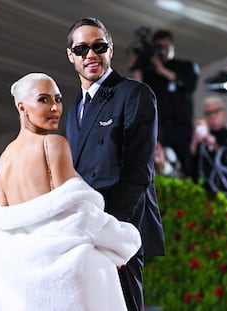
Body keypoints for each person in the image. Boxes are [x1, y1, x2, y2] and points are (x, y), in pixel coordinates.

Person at [0, 73, 141, 311]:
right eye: (43, 100)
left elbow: (4, 225)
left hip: (21, 282)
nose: (55, 108)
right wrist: (122, 242)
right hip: (66, 277)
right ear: (21, 107)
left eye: (58, 99)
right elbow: (76, 214)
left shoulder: (4, 159)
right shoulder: (54, 144)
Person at [65, 17, 165, 311]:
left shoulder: (134, 93)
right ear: (71, 55)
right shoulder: (72, 112)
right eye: (82, 49)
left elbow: (138, 172)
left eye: (98, 46)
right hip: (86, 231)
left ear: (110, 49)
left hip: (119, 228)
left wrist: (114, 235)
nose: (91, 55)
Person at [134, 29, 199, 175]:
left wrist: (162, 70)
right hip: (160, 128)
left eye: (166, 47)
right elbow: (139, 93)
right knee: (162, 164)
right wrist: (139, 65)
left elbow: (190, 84)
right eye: (159, 47)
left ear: (172, 46)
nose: (163, 51)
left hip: (183, 126)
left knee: (187, 165)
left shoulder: (185, 66)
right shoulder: (150, 74)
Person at [189, 96, 227, 192]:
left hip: (222, 191)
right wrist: (194, 142)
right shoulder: (200, 135)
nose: (212, 116)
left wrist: (213, 145)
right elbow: (190, 166)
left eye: (216, 112)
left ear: (224, 114)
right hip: (201, 189)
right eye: (208, 113)